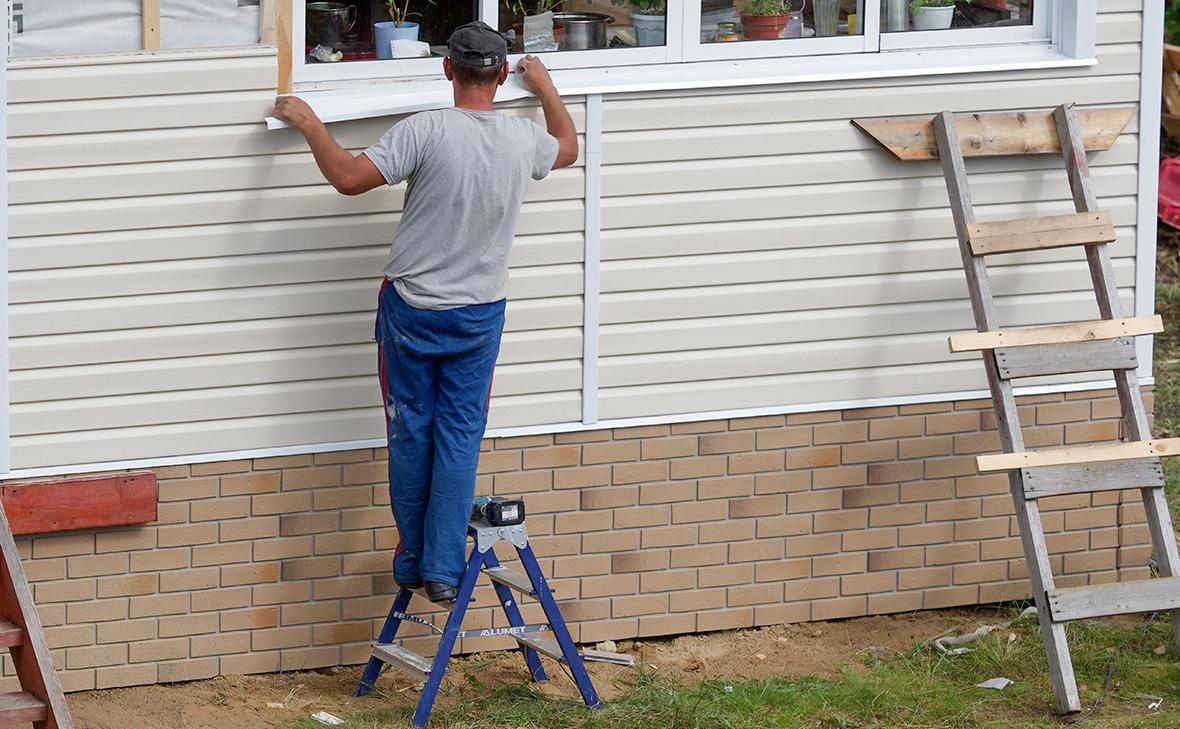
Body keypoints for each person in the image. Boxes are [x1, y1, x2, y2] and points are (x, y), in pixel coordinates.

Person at [273, 22, 578, 604]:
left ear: (448, 70)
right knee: (459, 438)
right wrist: (545, 86)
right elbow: (567, 146)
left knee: (411, 431)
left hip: (412, 311)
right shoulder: (521, 141)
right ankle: (441, 569)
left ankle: (413, 561)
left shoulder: (428, 130)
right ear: (498, 75)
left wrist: (311, 122)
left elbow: (347, 178)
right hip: (479, 314)